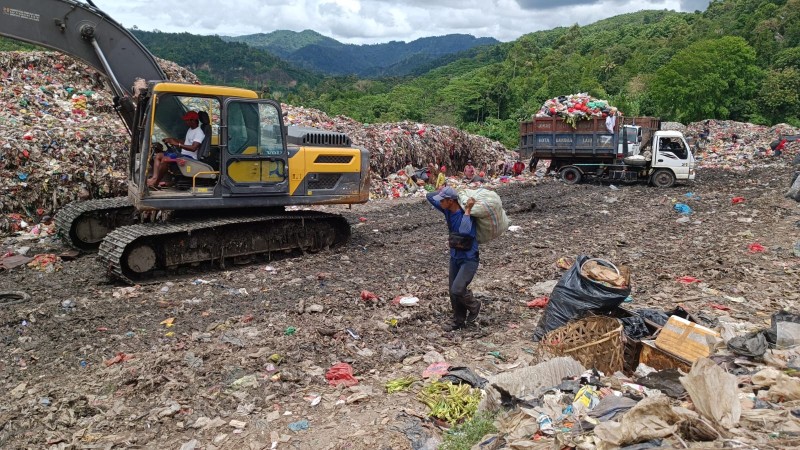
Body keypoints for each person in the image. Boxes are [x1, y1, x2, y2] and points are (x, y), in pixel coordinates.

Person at [426, 186, 481, 332]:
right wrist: (446, 191)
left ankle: (475, 306)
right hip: (455, 257)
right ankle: (458, 320)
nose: (440, 203)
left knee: (457, 289)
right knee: (453, 291)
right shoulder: (447, 209)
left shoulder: (466, 214)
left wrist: (468, 208)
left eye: (443, 201)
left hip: (469, 259)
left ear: (450, 201)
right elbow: (429, 196)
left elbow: (464, 231)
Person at [147, 111, 205, 188]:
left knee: (165, 159)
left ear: (193, 120)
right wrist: (172, 139)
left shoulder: (199, 133)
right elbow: (186, 142)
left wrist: (178, 144)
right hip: (182, 154)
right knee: (158, 155)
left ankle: (156, 183)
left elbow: (193, 148)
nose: (185, 122)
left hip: (189, 158)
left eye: (187, 120)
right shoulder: (190, 130)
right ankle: (154, 178)